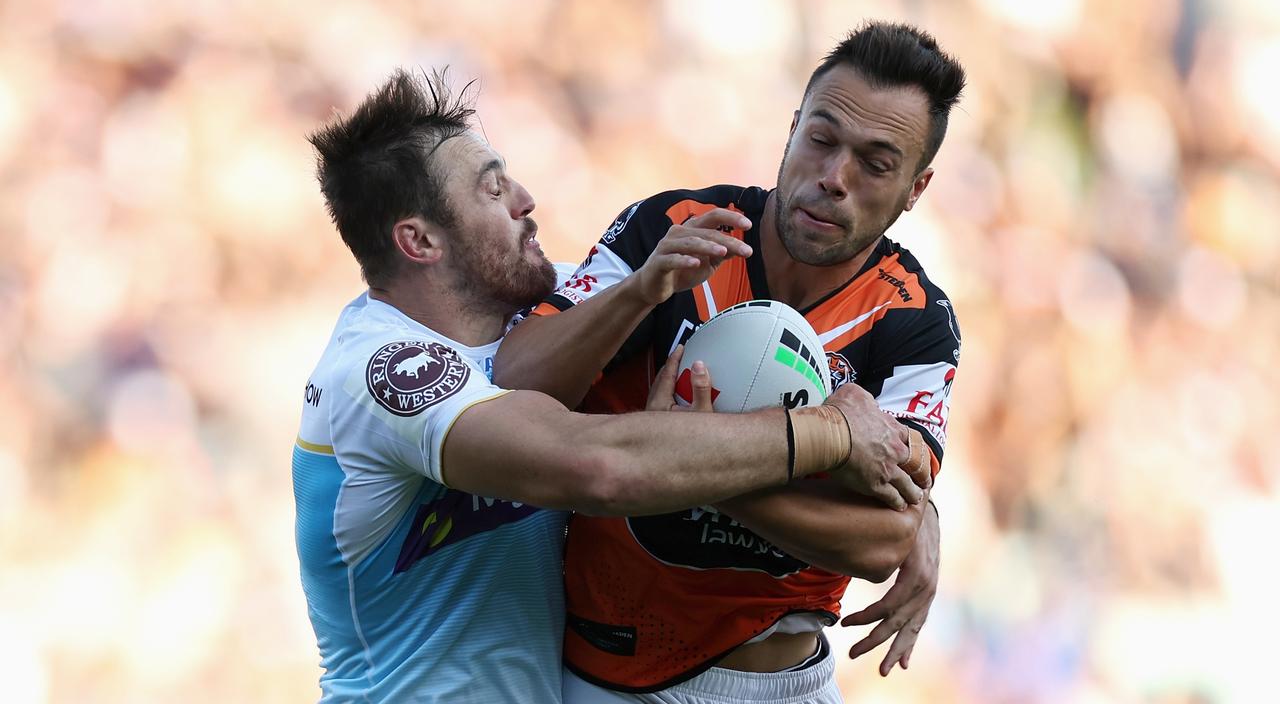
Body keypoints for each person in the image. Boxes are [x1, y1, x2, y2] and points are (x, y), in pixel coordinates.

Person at [294, 69, 932, 703]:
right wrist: (833, 431)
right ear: (420, 240)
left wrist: (922, 508)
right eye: (491, 191)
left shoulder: (541, 308)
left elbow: (628, 315)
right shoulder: (383, 371)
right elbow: (598, 466)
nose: (525, 198)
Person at [495, 21, 966, 703]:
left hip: (794, 681)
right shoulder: (672, 229)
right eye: (821, 140)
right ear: (793, 127)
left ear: (915, 189)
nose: (834, 178)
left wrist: (681, 467)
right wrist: (638, 293)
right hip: (617, 678)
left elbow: (881, 539)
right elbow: (511, 389)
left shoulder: (914, 320)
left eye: (875, 162)